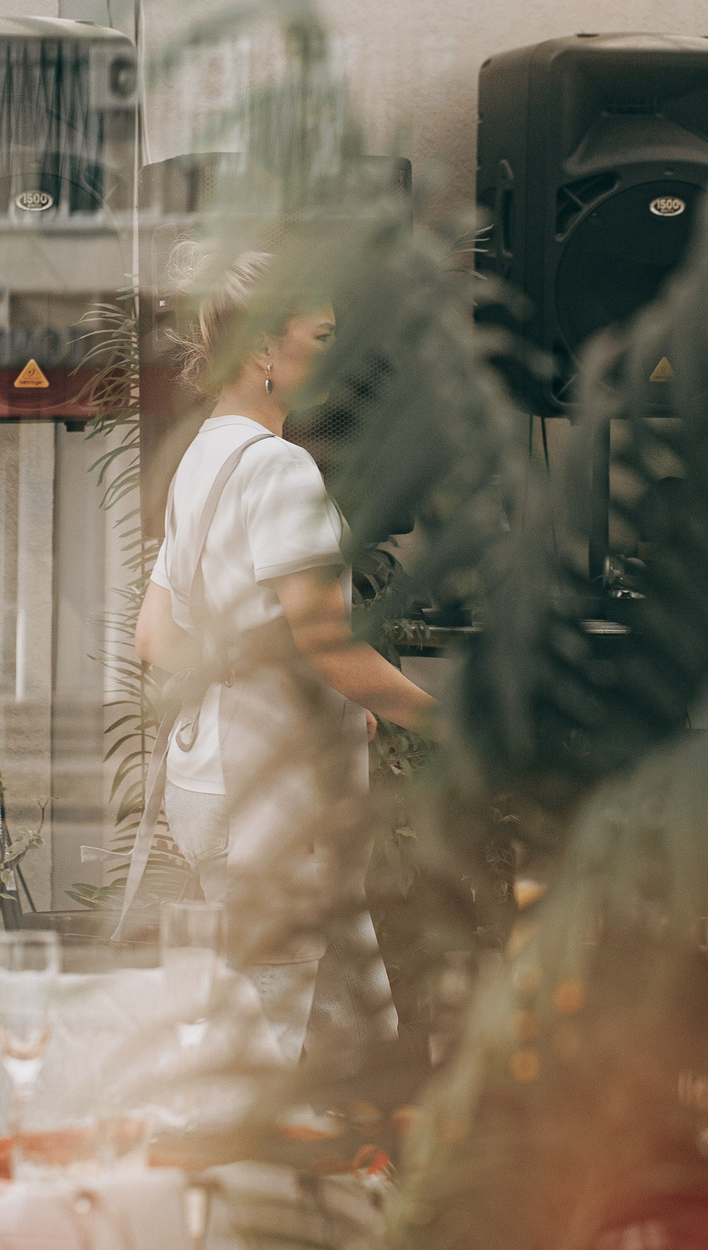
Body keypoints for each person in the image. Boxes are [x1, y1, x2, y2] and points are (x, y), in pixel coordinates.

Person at [128, 247, 434, 1056]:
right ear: (264, 347)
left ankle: (362, 1163)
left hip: (213, 783)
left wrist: (253, 667)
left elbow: (155, 636)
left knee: (350, 1022)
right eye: (322, 334)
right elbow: (331, 651)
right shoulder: (281, 471)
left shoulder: (203, 458)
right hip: (273, 795)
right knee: (266, 1041)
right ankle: (258, 1170)